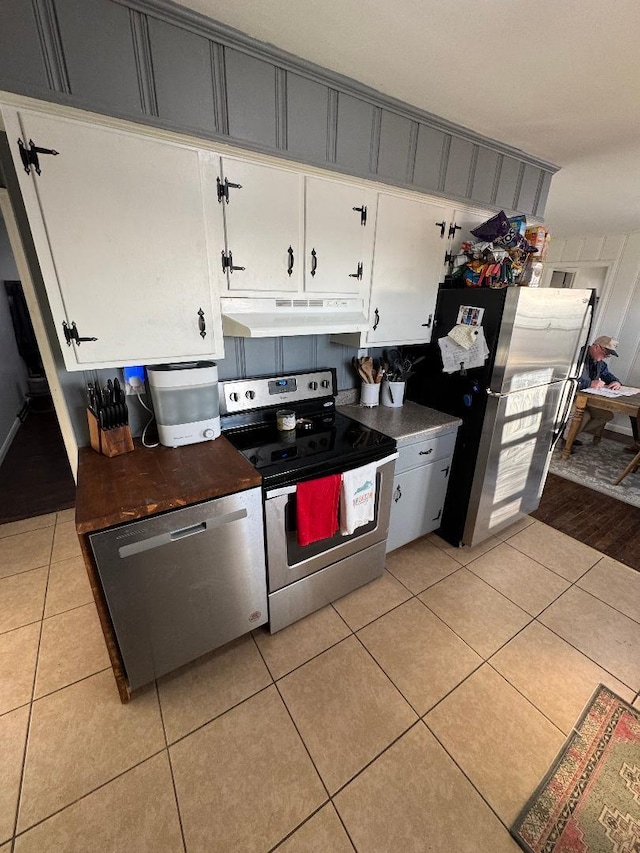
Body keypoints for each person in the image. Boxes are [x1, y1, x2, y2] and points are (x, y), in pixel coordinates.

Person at [562, 336, 621, 449]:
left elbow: (608, 376)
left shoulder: (599, 362)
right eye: (605, 353)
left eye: (608, 355)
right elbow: (567, 380)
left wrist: (616, 382)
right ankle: (567, 441)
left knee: (606, 415)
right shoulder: (577, 357)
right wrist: (589, 384)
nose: (606, 357)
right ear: (596, 347)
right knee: (584, 415)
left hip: (585, 399)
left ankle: (569, 434)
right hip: (568, 396)